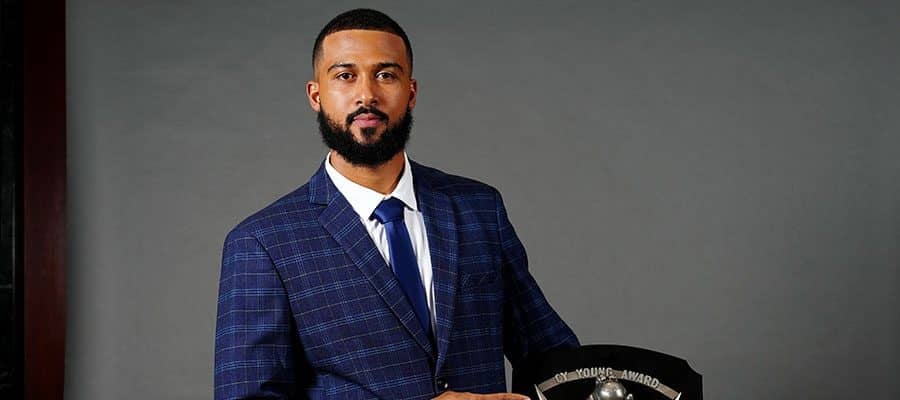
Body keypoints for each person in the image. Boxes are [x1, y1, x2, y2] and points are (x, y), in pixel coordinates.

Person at [214, 8, 578, 400]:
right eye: (345, 76)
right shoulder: (263, 243)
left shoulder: (478, 209)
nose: (367, 95)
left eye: (386, 75)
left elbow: (553, 359)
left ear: (411, 92)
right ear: (316, 95)